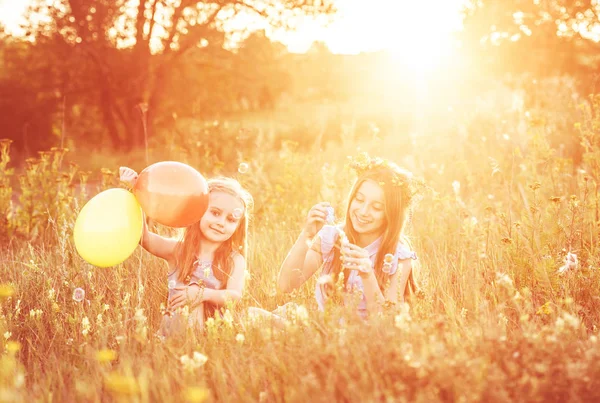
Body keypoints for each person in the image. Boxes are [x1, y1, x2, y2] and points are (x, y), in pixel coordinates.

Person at [276, 154, 420, 318]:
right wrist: (306, 235)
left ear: (391, 214)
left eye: (377, 207)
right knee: (255, 316)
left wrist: (367, 276)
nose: (363, 211)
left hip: (363, 337)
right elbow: (286, 286)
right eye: (359, 199)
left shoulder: (398, 256)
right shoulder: (332, 238)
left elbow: (387, 322)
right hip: (324, 327)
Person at [119, 167, 253, 337]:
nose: (221, 222)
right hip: (178, 329)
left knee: (254, 315)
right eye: (215, 213)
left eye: (231, 219)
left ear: (238, 226)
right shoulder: (179, 251)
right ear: (198, 210)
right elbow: (144, 238)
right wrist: (134, 191)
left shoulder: (234, 260)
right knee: (191, 304)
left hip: (214, 332)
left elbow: (235, 296)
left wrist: (202, 294)